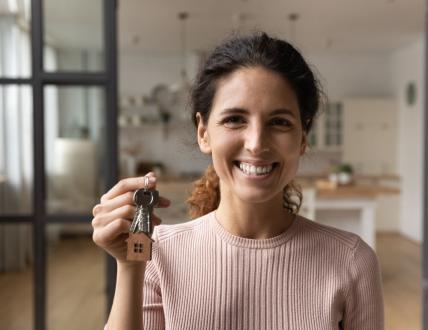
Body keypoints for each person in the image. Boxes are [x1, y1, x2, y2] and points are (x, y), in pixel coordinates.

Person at [92, 32, 384, 330]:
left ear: (303, 139)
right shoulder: (158, 254)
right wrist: (129, 267)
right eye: (234, 119)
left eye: (280, 122)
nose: (256, 143)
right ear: (203, 133)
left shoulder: (352, 261)